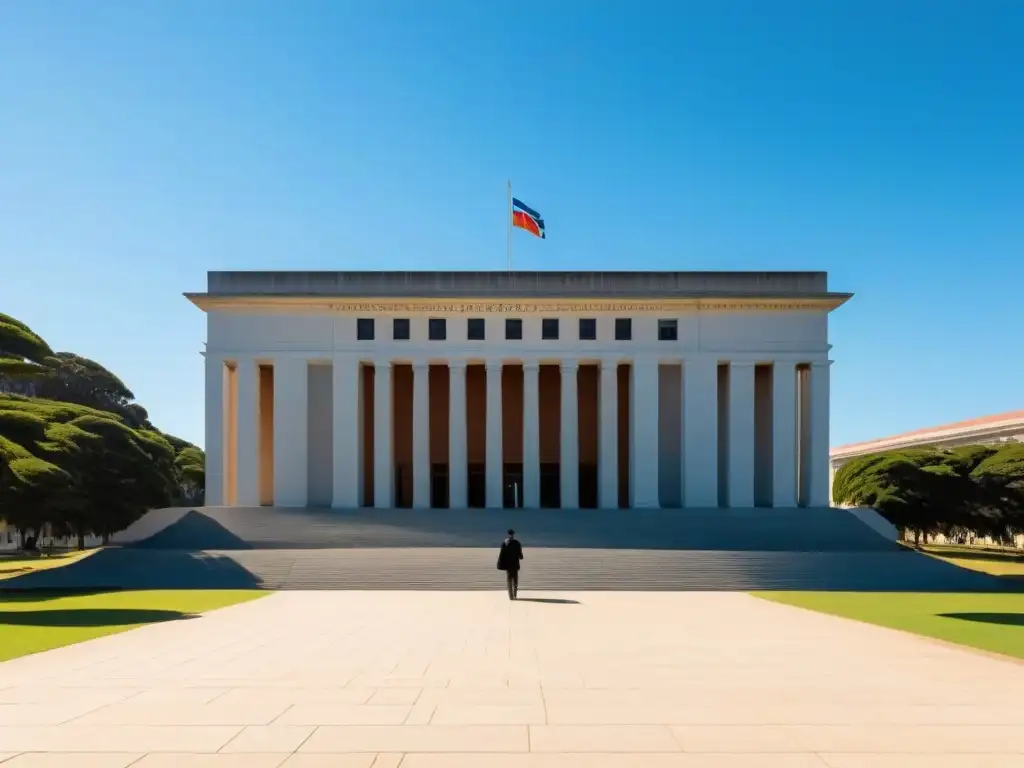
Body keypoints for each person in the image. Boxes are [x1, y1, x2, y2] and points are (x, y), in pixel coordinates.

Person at [496, 528, 524, 600]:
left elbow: (501, 554)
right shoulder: (517, 543)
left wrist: (500, 564)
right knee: (515, 580)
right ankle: (515, 595)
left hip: (508, 565)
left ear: (508, 534)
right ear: (513, 535)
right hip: (515, 565)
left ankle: (510, 596)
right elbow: (521, 556)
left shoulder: (505, 543)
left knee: (509, 580)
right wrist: (520, 556)